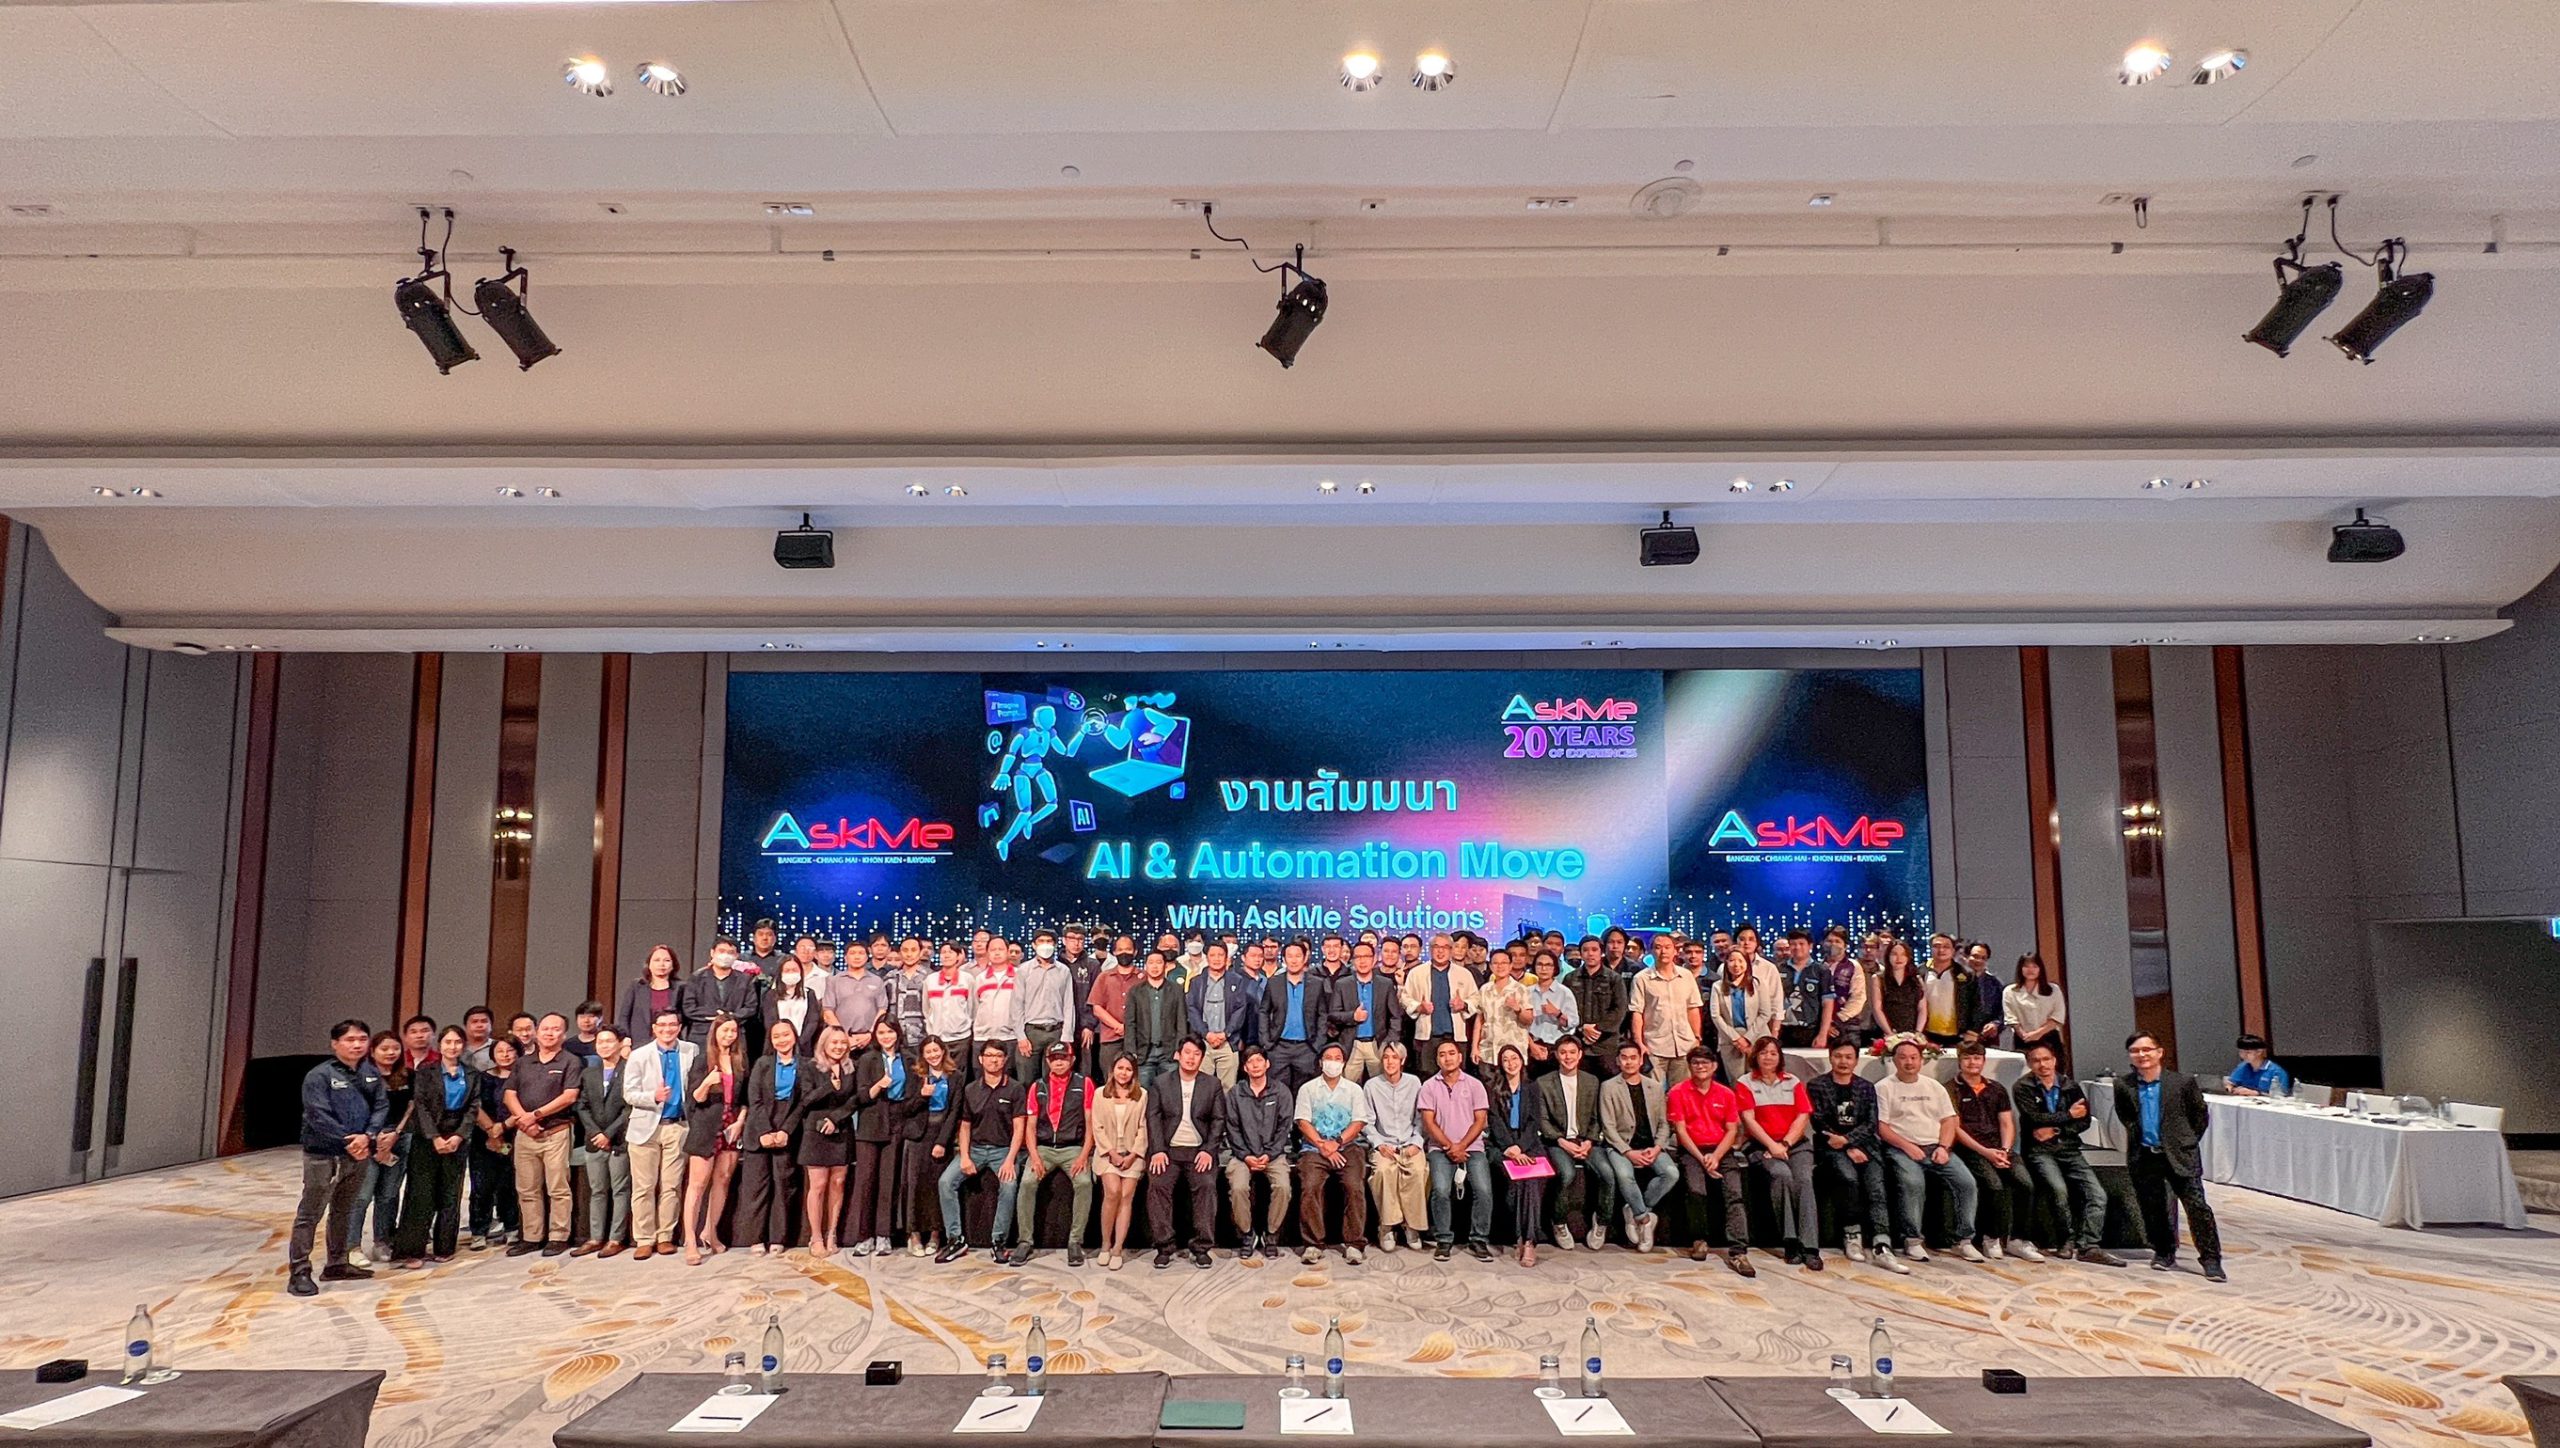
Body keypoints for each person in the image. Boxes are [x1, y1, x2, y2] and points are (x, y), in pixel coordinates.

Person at [2116, 1030, 2225, 1282]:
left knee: (2197, 1207)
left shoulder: (2182, 1082)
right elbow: (2126, 1117)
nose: (2141, 1055)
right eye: (2135, 1051)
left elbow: (2199, 1116)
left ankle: (2211, 1259)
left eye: (2146, 1049)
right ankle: (2164, 1251)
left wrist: (2185, 1141)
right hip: (2145, 1155)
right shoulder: (2123, 1085)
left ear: (2159, 1052)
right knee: (2153, 1207)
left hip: (2179, 1154)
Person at [289, 1020, 387, 1296]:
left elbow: (381, 1106)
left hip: (359, 1153)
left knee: (344, 1209)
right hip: (324, 1154)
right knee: (311, 1212)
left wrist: (368, 1136)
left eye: (362, 1039)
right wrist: (348, 1140)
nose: (357, 1045)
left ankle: (337, 1263)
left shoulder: (370, 1072)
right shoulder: (319, 1075)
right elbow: (317, 1114)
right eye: (350, 1040)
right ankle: (299, 1271)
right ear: (335, 1044)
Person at [2015, 1041, 2123, 1267]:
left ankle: (2089, 1245)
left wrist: (2057, 1129)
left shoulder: (2070, 1086)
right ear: (2029, 1064)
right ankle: (2066, 1240)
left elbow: (2084, 1120)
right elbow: (2034, 1118)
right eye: (2036, 1061)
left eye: (2046, 1059)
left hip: (2069, 1148)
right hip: (2039, 1151)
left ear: (2054, 1060)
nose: (2042, 1064)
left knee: (2097, 1194)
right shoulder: (2023, 1087)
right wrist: (2069, 1115)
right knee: (2059, 1190)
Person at [1876, 1037, 1982, 1263]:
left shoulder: (1934, 1086)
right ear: (1894, 1060)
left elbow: (1949, 1120)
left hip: (1936, 1147)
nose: (1909, 1062)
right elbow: (1882, 1127)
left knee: (1966, 1182)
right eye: (1903, 1058)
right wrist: (1907, 1146)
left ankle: (1964, 1240)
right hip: (1901, 1149)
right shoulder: (1883, 1087)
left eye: (1913, 1057)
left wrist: (1944, 1147)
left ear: (1921, 1060)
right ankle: (1912, 1240)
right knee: (1913, 1183)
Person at [1807, 1040, 1907, 1273]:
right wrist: (1845, 1145)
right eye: (1838, 1056)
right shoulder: (1816, 1085)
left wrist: (1850, 1142)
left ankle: (1882, 1243)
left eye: (1848, 1057)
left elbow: (1871, 1123)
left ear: (1856, 1060)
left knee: (1875, 1185)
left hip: (1865, 1146)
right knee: (1848, 1177)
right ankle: (1852, 1234)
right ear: (1830, 1058)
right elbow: (1819, 1121)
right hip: (1830, 1145)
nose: (1843, 1061)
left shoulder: (1865, 1087)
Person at [1733, 1036, 1822, 1270]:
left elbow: (1803, 1115)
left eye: (1773, 1053)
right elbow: (1749, 1120)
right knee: (1781, 1175)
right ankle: (1790, 1240)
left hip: (1794, 1144)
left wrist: (1785, 1143)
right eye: (1763, 1053)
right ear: (1755, 1056)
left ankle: (1810, 1246)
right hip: (1761, 1146)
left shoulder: (1792, 1081)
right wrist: (1772, 1146)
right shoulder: (1745, 1082)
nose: (1768, 1057)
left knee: (1804, 1179)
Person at [1948, 1040, 2042, 1262]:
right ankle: (1991, 1237)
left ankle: (2018, 1240)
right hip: (1971, 1149)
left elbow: (2007, 1123)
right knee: (1994, 1185)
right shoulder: (1950, 1089)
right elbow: (1955, 1128)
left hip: (2000, 1148)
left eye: (1977, 1058)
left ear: (1983, 1061)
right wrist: (1985, 1152)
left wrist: (2005, 1149)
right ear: (1959, 1061)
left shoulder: (1996, 1088)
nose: (1972, 1062)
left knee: (2025, 1184)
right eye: (1967, 1058)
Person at [1663, 1045, 1754, 1274]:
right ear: (1689, 1066)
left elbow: (1732, 1130)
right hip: (1691, 1150)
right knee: (1696, 1190)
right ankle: (1699, 1239)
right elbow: (1681, 1131)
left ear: (1714, 1066)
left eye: (1705, 1063)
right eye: (1695, 1063)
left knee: (1734, 1193)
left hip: (1721, 1149)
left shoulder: (1726, 1093)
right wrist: (1702, 1158)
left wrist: (1716, 1156)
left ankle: (1738, 1250)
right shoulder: (1678, 1092)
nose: (1700, 1067)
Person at [937, 1040, 1027, 1263]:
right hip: (975, 1149)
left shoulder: (1015, 1088)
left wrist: (1010, 1159)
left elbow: (1020, 1128)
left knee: (1009, 1186)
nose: (994, 1060)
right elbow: (965, 1126)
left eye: (998, 1056)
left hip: (1003, 1151)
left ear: (1005, 1060)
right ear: (981, 1059)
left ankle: (998, 1241)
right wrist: (965, 1156)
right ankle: (955, 1240)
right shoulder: (971, 1089)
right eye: (989, 1055)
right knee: (945, 1182)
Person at [392, 1024, 473, 1265]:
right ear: (440, 1045)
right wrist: (435, 1137)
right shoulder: (426, 1072)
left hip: (457, 1137)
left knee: (450, 1194)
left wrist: (459, 1135)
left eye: (457, 1042)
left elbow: (473, 1107)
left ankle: (445, 1246)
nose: (453, 1047)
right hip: (427, 1137)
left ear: (463, 1046)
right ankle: (411, 1250)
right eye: (448, 1042)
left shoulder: (471, 1074)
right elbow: (421, 1106)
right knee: (421, 1193)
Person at [1009, 1041, 1095, 1265]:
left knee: (1084, 1182)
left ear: (1072, 1060)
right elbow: (1030, 1127)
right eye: (1054, 1059)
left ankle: (1075, 1241)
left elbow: (1091, 1124)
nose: (1059, 1062)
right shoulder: (1037, 1086)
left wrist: (1084, 1155)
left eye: (1063, 1058)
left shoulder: (1084, 1084)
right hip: (1044, 1148)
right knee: (1027, 1182)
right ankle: (1025, 1241)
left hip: (1073, 1148)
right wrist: (1034, 1156)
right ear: (1047, 1062)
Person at [503, 1013, 582, 1257]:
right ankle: (531, 1236)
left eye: (556, 1029)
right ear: (537, 1032)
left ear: (564, 1034)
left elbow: (570, 1096)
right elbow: (509, 1095)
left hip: (556, 1132)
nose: (549, 1033)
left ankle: (558, 1236)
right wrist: (525, 1120)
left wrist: (535, 1115)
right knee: (527, 1188)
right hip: (525, 1134)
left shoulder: (570, 1061)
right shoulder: (523, 1062)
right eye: (545, 1028)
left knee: (558, 1187)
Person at [620, 1009, 696, 1260]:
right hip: (645, 1127)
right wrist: (652, 1096)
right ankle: (644, 1238)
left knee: (671, 1186)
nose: (667, 1029)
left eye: (672, 1024)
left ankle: (665, 1236)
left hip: (678, 1126)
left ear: (679, 1027)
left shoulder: (691, 1051)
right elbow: (629, 1093)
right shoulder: (639, 1055)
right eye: (662, 1025)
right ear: (654, 1028)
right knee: (643, 1187)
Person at [1144, 1036, 1224, 1268]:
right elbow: (1153, 1117)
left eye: (1197, 1054)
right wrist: (1158, 1150)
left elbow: (1218, 1120)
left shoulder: (1212, 1084)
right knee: (1158, 1184)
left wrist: (1208, 1150)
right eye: (1187, 1052)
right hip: (1168, 1150)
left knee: (1206, 1185)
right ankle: (1164, 1246)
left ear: (1202, 1058)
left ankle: (1202, 1246)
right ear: (1177, 1055)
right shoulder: (1161, 1083)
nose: (1191, 1058)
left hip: (1199, 1150)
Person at [1292, 1042, 1373, 1265]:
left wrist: (1336, 1143)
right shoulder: (1308, 1089)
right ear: (1321, 1062)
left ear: (1344, 1063)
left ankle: (1354, 1243)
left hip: (1347, 1147)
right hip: (1314, 1148)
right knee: (1310, 1186)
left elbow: (1358, 1122)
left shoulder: (1354, 1090)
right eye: (1329, 1058)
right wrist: (1323, 1146)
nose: (1333, 1062)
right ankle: (1313, 1244)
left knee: (1354, 1186)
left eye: (1338, 1058)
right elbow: (1302, 1121)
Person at [1417, 1037, 1495, 1261]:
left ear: (1460, 1057)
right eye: (1442, 1054)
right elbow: (1428, 1122)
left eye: (1451, 1053)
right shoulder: (1429, 1086)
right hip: (1440, 1149)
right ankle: (1443, 1240)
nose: (1447, 1058)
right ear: (1437, 1060)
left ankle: (1479, 1240)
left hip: (1473, 1147)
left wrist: (1462, 1146)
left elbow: (1480, 1120)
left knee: (1483, 1190)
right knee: (1441, 1190)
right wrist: (1449, 1146)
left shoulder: (1474, 1085)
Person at [1596, 1042, 1679, 1251]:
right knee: (1624, 1175)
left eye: (1633, 1057)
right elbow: (1608, 1126)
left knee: (1671, 1173)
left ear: (1641, 1061)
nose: (1629, 1062)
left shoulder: (1655, 1087)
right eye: (1624, 1057)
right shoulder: (1608, 1087)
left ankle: (1635, 1209)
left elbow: (1664, 1124)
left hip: (1651, 1146)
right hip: (1621, 1146)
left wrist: (1658, 1147)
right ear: (1617, 1061)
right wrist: (1628, 1152)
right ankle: (1644, 1219)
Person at [1533, 1035, 1612, 1251]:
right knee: (1566, 1174)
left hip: (1586, 1141)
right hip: (1557, 1141)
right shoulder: (1543, 1082)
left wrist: (1589, 1142)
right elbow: (1543, 1120)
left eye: (1572, 1052)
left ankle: (1601, 1222)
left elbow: (1597, 1118)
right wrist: (1561, 1141)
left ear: (1580, 1055)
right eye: (1563, 1053)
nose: (1568, 1057)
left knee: (1607, 1173)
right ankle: (1559, 1222)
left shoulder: (1591, 1081)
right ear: (1556, 1055)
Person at [681, 1014, 747, 1265]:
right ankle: (690, 1240)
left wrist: (740, 1121)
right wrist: (708, 1083)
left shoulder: (740, 1060)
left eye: (733, 1031)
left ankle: (710, 1232)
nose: (729, 1035)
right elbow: (695, 1098)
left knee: (723, 1180)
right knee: (697, 1185)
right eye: (724, 1030)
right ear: (715, 1032)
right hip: (706, 1127)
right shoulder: (702, 1060)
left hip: (731, 1126)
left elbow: (745, 1099)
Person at [848, 1019, 916, 1257]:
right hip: (871, 1120)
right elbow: (860, 1096)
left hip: (897, 1119)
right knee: (866, 1180)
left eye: (890, 1031)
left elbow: (911, 1094)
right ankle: (864, 1236)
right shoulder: (868, 1059)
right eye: (881, 1032)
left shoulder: (908, 1059)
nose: (886, 1036)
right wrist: (878, 1086)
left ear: (898, 1033)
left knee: (889, 1180)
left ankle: (883, 1235)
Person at [738, 1017, 804, 1253]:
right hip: (760, 1130)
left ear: (794, 1036)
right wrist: (765, 1131)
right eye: (776, 1036)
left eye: (786, 1034)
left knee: (784, 1187)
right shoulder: (762, 1064)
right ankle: (756, 1238)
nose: (781, 1040)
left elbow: (803, 1102)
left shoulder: (805, 1065)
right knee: (757, 1187)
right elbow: (755, 1100)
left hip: (787, 1130)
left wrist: (786, 1130)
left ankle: (778, 1238)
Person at [1222, 1046, 1295, 1260]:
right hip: (1242, 1155)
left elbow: (1284, 1127)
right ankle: (1247, 1234)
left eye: (1259, 1060)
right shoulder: (1235, 1093)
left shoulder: (1281, 1091)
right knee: (1238, 1187)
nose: (1255, 1065)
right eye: (1250, 1062)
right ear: (1244, 1068)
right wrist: (1246, 1155)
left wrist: (1270, 1154)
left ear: (1267, 1064)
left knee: (1283, 1187)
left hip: (1273, 1154)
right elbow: (1232, 1128)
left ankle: (1271, 1234)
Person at [793, 1023, 858, 1256]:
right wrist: (829, 1086)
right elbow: (806, 1100)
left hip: (841, 1129)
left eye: (842, 1043)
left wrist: (836, 1119)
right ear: (824, 1044)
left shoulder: (851, 1068)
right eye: (834, 1042)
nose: (839, 1047)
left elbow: (854, 1100)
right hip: (816, 1132)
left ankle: (832, 1233)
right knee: (818, 1185)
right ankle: (816, 1236)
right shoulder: (810, 1067)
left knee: (837, 1183)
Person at [1361, 1040, 1429, 1252]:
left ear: (1403, 1060)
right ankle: (1387, 1226)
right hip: (1385, 1144)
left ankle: (1411, 1225)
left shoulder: (1414, 1083)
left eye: (1394, 1058)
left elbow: (1421, 1118)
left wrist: (1417, 1142)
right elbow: (1367, 1122)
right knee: (1383, 1172)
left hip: (1410, 1142)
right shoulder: (1371, 1086)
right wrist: (1379, 1144)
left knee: (1418, 1171)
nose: (1390, 1062)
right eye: (1386, 1057)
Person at [572, 1025, 633, 1257]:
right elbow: (582, 1105)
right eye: (600, 1042)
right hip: (594, 1140)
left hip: (618, 1140)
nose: (604, 1046)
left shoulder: (629, 1070)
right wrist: (595, 1132)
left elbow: (629, 1107)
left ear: (620, 1043)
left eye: (609, 1041)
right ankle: (595, 1237)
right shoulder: (589, 1073)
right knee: (597, 1190)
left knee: (620, 1190)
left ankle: (616, 1238)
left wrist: (608, 1134)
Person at [353, 1030, 412, 1267]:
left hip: (399, 1138)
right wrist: (375, 1137)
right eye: (384, 1048)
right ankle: (352, 1246)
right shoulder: (362, 1076)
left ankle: (382, 1241)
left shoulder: (408, 1075)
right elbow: (357, 1110)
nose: (390, 1053)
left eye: (395, 1048)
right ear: (373, 1051)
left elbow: (412, 1107)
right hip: (369, 1140)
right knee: (362, 1196)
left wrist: (396, 1133)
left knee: (389, 1194)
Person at [1485, 1044, 1546, 1267]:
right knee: (1517, 1181)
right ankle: (1519, 1236)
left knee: (1531, 1181)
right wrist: (1510, 1147)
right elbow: (1494, 1121)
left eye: (1514, 1058)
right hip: (1502, 1145)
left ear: (1522, 1061)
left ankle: (1528, 1241)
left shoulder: (1532, 1087)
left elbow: (1534, 1122)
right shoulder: (1493, 1088)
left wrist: (1520, 1147)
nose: (1511, 1064)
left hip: (1528, 1144)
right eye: (1506, 1060)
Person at [1090, 1053, 1150, 1270]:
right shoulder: (1100, 1094)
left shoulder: (1142, 1095)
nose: (1123, 1073)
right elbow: (1097, 1126)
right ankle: (1105, 1244)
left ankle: (1117, 1248)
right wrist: (1112, 1153)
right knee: (1113, 1192)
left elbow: (1143, 1128)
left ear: (1134, 1073)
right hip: (1108, 1154)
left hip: (1132, 1155)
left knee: (1126, 1196)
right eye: (1120, 1068)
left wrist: (1133, 1154)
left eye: (1128, 1069)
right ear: (1112, 1070)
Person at [906, 1036, 960, 1257]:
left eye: (936, 1051)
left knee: (936, 1186)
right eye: (928, 1052)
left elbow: (955, 1111)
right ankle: (914, 1234)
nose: (933, 1055)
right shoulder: (916, 1075)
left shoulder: (955, 1076)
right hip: (918, 1135)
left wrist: (942, 1142)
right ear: (923, 1055)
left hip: (941, 1135)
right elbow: (905, 1108)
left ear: (943, 1051)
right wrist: (921, 1096)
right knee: (915, 1186)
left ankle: (936, 1234)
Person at [1261, 942, 1335, 1103]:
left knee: (1305, 1094)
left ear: (1305, 958)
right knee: (1277, 1094)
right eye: (1290, 956)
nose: (1294, 960)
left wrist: (1318, 1044)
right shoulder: (1274, 983)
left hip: (1306, 1048)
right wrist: (1267, 1042)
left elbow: (1322, 1015)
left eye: (1298, 956)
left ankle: (1301, 1121)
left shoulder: (1317, 983)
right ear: (1284, 959)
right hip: (1279, 1047)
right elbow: (1264, 1012)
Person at [469, 1037, 520, 1249]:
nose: (505, 1055)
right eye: (500, 1051)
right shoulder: (482, 1078)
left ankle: (512, 1227)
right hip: (483, 1138)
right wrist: (492, 1130)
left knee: (509, 1185)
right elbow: (474, 1105)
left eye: (510, 1050)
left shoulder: (522, 1076)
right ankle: (479, 1231)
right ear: (492, 1054)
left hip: (514, 1135)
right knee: (482, 1186)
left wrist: (504, 1127)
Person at [1332, 941, 1405, 1083]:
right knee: (1348, 1087)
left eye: (1366, 956)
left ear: (1374, 958)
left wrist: (1389, 1042)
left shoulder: (1385, 984)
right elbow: (1333, 1015)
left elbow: (1395, 1016)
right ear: (1353, 961)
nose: (1362, 961)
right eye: (1358, 957)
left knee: (1382, 1086)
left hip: (1377, 1044)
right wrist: (1352, 1016)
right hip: (1352, 1044)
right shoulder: (1342, 984)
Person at [1630, 943, 1704, 1081]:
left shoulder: (1686, 975)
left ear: (1675, 951)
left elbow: (1693, 1008)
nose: (1663, 951)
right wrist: (1639, 1042)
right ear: (1651, 951)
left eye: (1667, 947)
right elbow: (1637, 1012)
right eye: (1658, 947)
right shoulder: (1641, 978)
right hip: (1654, 1046)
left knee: (1681, 1090)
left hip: (1684, 1045)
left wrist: (1696, 1037)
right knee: (1654, 1090)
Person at [1707, 948, 1781, 1083]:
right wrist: (1736, 1038)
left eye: (1740, 961)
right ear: (1726, 963)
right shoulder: (1717, 986)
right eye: (1732, 960)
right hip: (1730, 1040)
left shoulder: (1758, 984)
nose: (1736, 965)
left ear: (1747, 963)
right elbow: (1716, 1015)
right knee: (1737, 1082)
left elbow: (1765, 1013)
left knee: (1760, 1080)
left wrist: (1747, 1038)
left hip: (1757, 1037)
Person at [1016, 931, 1081, 1083]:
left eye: (1049, 941)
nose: (1045, 945)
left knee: (1053, 1080)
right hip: (1031, 1032)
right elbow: (1017, 1005)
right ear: (1033, 945)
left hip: (1056, 1031)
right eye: (1041, 941)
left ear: (1055, 945)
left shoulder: (1063, 971)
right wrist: (1021, 1036)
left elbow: (1068, 1005)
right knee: (1026, 1080)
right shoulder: (1024, 970)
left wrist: (1066, 1037)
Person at [1186, 942, 1251, 1088]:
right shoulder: (1196, 982)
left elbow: (1240, 1009)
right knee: (1202, 1088)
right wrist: (1206, 1034)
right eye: (1212, 955)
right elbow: (1192, 1009)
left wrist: (1225, 1033)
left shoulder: (1237, 981)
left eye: (1220, 955)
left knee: (1228, 1088)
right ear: (1206, 957)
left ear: (1227, 957)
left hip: (1228, 1042)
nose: (1216, 959)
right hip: (1203, 1043)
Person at [1401, 936, 1477, 1058]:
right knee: (1426, 1069)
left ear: (1451, 950)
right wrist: (1419, 1007)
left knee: (1455, 1069)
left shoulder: (1464, 974)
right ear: (1430, 949)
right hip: (1427, 1037)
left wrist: (1464, 1005)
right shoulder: (1416, 973)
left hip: (1455, 1036)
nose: (1440, 951)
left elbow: (1476, 999)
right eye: (1436, 947)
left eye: (1445, 947)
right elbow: (1405, 998)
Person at [1125, 950, 1191, 1090]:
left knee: (1170, 1093)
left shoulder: (1176, 990)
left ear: (1165, 966)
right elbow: (1130, 1023)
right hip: (1144, 1053)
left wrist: (1179, 1049)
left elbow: (1181, 1022)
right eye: (1151, 963)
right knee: (1143, 1093)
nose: (1155, 966)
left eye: (1159, 962)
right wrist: (1131, 1051)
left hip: (1169, 1053)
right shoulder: (1135, 991)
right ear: (1145, 966)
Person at [682, 939, 763, 1053]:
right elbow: (689, 1007)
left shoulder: (745, 980)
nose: (725, 956)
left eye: (730, 952)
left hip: (734, 1036)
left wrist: (729, 1017)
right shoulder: (696, 978)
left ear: (737, 956)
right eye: (721, 951)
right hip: (702, 1035)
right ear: (712, 953)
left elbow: (751, 1007)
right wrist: (717, 1016)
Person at [1469, 948, 1533, 1081]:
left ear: (1510, 965)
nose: (1500, 966)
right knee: (1489, 1088)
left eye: (1504, 963)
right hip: (1488, 1050)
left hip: (1513, 1051)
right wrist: (1474, 1047)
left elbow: (1528, 1020)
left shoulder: (1520, 989)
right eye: (1496, 963)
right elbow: (1479, 1020)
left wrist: (1518, 1009)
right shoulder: (1485, 989)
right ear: (1491, 966)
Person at [616, 944, 686, 1046]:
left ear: (673, 965)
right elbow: (624, 1016)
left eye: (667, 960)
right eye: (657, 960)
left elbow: (686, 1017)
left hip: (670, 1043)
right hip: (639, 1043)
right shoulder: (637, 986)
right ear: (649, 964)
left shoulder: (681, 988)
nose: (661, 964)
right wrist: (625, 1040)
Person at [1776, 931, 1835, 1051]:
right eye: (1793, 944)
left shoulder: (1821, 970)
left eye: (1801, 944)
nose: (1797, 947)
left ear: (1810, 946)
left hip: (1810, 1031)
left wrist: (1823, 1034)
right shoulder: (1779, 969)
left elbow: (1828, 1004)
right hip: (1783, 1031)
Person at [2002, 953, 2067, 1062]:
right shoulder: (2010, 991)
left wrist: (2038, 1033)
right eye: (2026, 966)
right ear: (2020, 968)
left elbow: (2057, 1016)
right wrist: (2024, 1034)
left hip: (2049, 1037)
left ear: (2040, 969)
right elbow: (2011, 1017)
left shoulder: (2053, 989)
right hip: (2023, 1038)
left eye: (2034, 966)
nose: (2030, 970)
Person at [1087, 945, 1139, 1080]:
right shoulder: (1104, 976)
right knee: (1110, 1078)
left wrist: (1129, 1028)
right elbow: (1097, 1008)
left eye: (1128, 949)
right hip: (1110, 1038)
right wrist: (1118, 1026)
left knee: (1135, 1078)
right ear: (1114, 952)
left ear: (1135, 952)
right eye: (1120, 949)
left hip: (1137, 1038)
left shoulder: (1143, 977)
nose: (1124, 952)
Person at [923, 943, 979, 1058]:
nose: (946, 955)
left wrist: (964, 1022)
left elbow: (973, 1008)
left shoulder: (967, 979)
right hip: (937, 1038)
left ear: (958, 956)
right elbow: (926, 1009)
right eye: (943, 952)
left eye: (951, 952)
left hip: (961, 1038)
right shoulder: (930, 980)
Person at [1818, 928, 1868, 1049]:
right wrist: (1825, 1024)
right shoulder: (1816, 967)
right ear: (1823, 943)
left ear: (1845, 945)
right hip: (1820, 1025)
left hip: (1847, 1025)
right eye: (1829, 941)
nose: (1833, 944)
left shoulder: (1853, 966)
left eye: (1837, 941)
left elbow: (1858, 998)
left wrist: (1836, 1020)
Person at [1871, 939, 1925, 1040]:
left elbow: (1922, 1009)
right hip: (1887, 1033)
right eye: (1894, 954)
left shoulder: (1916, 980)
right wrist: (1890, 1034)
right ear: (1888, 956)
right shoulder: (1878, 979)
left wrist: (1917, 1033)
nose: (1899, 958)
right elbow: (1877, 1009)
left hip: (1912, 1033)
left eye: (1903, 954)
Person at [2224, 1033, 2292, 1097]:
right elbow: (2232, 1082)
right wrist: (2229, 1087)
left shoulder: (2276, 1071)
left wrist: (2256, 1093)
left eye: (2248, 1052)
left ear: (2259, 1052)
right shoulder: (2243, 1067)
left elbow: (2282, 1095)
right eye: (2241, 1052)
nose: (2243, 1055)